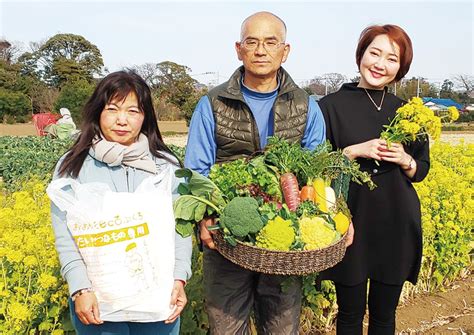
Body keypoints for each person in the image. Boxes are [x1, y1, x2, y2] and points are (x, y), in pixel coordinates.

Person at [184, 11, 327, 334]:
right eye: (252, 42)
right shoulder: (212, 103)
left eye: (270, 42)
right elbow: (196, 171)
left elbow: (316, 173)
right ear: (239, 49)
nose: (261, 50)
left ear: (285, 50)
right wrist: (205, 218)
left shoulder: (306, 106)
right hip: (227, 238)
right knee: (226, 328)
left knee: (281, 327)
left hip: (285, 242)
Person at [48, 71, 192, 335]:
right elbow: (64, 234)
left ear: (145, 116)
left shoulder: (165, 166)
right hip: (98, 303)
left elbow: (180, 229)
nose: (122, 120)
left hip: (158, 302)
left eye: (133, 111)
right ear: (97, 113)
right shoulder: (73, 166)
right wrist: (80, 287)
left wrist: (179, 277)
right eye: (112, 109)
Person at [319, 25, 430, 334]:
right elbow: (315, 168)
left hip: (396, 222)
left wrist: (404, 159)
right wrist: (354, 151)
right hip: (351, 221)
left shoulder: (408, 112)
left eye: (392, 58)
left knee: (384, 316)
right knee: (350, 314)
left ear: (401, 67)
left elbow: (421, 169)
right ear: (361, 55)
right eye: (375, 53)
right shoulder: (329, 107)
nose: (380, 64)